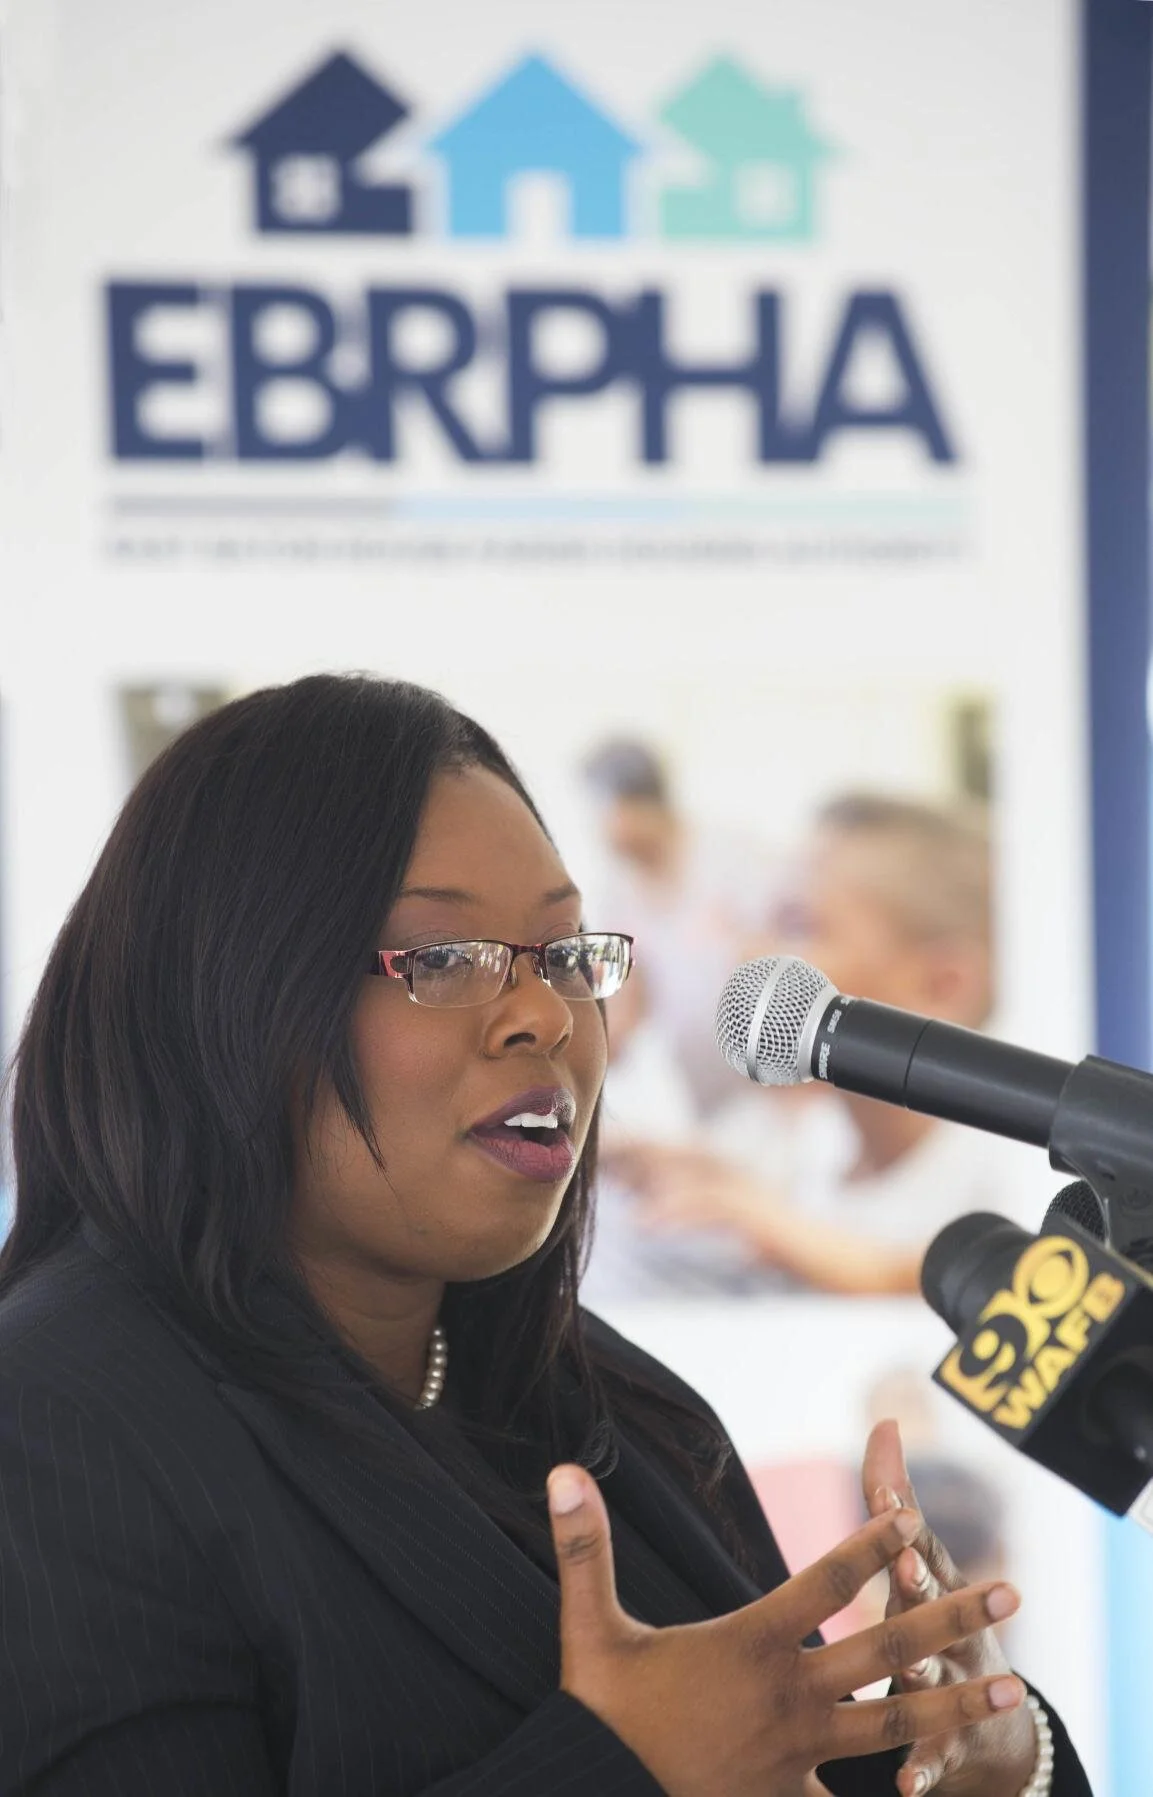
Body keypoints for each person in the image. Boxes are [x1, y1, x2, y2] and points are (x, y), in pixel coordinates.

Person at [0, 676, 1086, 1796]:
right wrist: (619, 1774)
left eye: (565, 955)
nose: (547, 1014)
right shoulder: (51, 1421)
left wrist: (988, 1765)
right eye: (444, 959)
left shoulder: (610, 1407)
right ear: (226, 993)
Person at [600, 793, 1033, 1298]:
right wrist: (712, 1179)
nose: (752, 953)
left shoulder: (1004, 1162)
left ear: (942, 985)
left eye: (799, 926)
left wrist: (769, 1221)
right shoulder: (812, 1137)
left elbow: (949, 1278)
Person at [581, 736, 778, 1118]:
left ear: (641, 803)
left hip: (768, 1082)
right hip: (703, 1096)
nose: (602, 829)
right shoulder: (618, 890)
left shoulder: (733, 859)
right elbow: (627, 996)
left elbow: (781, 958)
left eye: (607, 811)